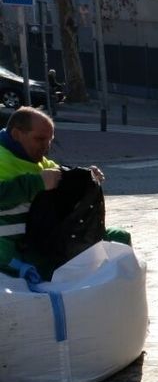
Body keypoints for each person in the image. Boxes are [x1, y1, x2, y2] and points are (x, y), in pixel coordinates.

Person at [0, 107, 129, 278]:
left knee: (120, 239)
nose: (46, 147)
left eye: (50, 140)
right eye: (40, 139)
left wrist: (86, 175)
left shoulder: (35, 160)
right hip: (11, 248)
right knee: (63, 271)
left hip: (44, 238)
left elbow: (62, 174)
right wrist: (36, 183)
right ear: (17, 134)